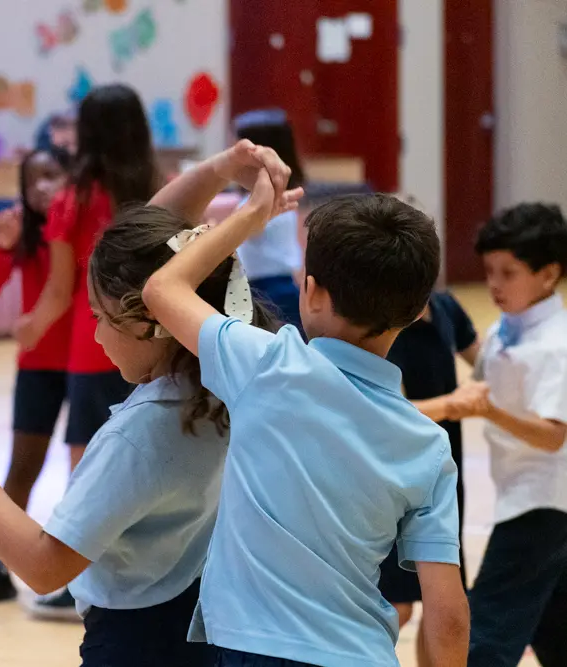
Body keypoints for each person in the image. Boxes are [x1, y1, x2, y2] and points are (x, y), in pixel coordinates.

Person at [142, 142, 469, 667]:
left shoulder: (265, 364)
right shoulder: (429, 446)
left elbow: (162, 288)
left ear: (311, 291)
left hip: (254, 649)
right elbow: (448, 617)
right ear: (414, 314)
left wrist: (251, 216)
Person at [0, 200, 281, 666]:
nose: (95, 336)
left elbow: (45, 567)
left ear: (144, 321)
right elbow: (159, 242)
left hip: (135, 643)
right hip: (207, 627)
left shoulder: (142, 434)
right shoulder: (233, 386)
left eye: (99, 318)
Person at [14, 83, 161, 617]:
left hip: (95, 348)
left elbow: (59, 290)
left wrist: (30, 328)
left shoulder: (73, 199)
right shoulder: (157, 190)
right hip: (154, 343)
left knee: (88, 469)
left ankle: (77, 581)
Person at [0, 148, 73, 606]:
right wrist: (4, 246)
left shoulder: (83, 223)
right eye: (31, 180)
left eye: (52, 174)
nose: (41, 186)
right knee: (22, 468)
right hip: (37, 365)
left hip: (90, 361)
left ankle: (79, 575)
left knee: (85, 470)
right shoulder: (23, 231)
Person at [459, 203, 567, 667]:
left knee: (485, 635)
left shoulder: (556, 346)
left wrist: (490, 411)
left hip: (539, 503)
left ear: (549, 274)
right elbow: (488, 369)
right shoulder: (511, 324)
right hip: (523, 494)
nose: (494, 285)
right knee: (556, 634)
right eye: (489, 272)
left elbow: (553, 436)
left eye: (508, 273)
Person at [379, 287, 479, 665]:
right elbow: (389, 410)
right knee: (398, 605)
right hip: (397, 479)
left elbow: (483, 359)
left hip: (444, 475)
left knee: (438, 601)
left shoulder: (446, 306)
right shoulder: (388, 320)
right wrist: (451, 405)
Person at [232, 109, 306, 332]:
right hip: (262, 286)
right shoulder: (262, 195)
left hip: (273, 289)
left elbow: (246, 229)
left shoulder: (271, 196)